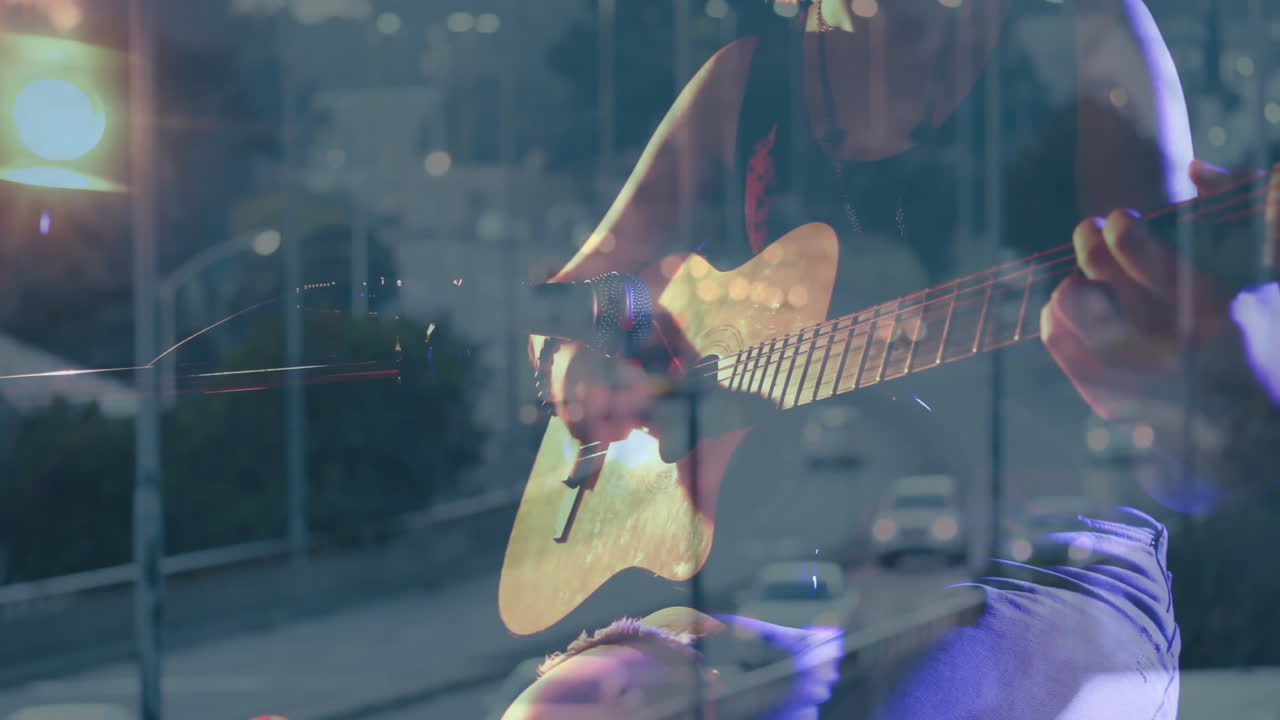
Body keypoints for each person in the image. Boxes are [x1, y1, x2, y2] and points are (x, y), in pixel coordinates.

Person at [509, 0, 1280, 717]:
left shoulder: (1080, 26)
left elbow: (1190, 407)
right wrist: (585, 361)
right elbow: (567, 302)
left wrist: (1189, 386)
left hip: (1039, 568)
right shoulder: (745, 81)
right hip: (784, 573)